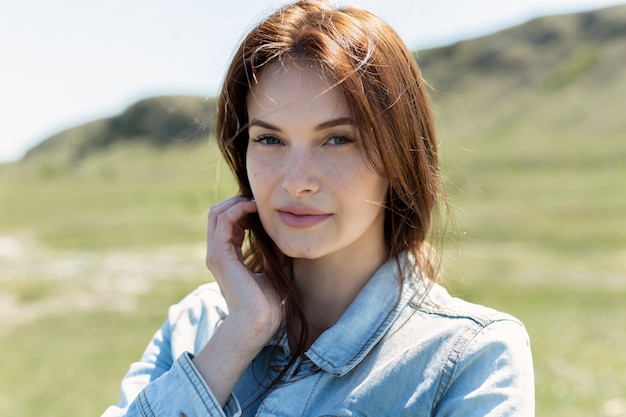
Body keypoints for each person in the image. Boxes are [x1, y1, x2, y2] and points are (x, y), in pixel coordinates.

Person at [102, 1, 534, 416]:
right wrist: (239, 336)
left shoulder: (470, 358)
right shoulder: (197, 324)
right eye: (269, 139)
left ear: (399, 157)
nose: (297, 181)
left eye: (338, 139)